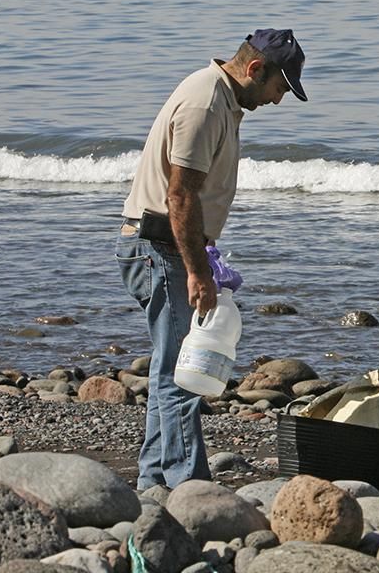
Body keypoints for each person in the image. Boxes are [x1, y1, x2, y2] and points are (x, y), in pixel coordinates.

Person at [116, 28, 308, 490]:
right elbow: (180, 196)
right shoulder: (205, 103)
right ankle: (189, 485)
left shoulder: (221, 98)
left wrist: (202, 256)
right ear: (255, 68)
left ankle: (154, 480)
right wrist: (198, 272)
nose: (278, 100)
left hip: (166, 246)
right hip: (159, 248)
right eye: (279, 88)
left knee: (170, 369)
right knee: (184, 374)